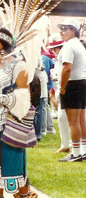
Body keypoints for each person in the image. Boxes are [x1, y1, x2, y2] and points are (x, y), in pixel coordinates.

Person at [0, 27, 36, 198]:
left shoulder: (18, 65)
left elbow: (24, 100)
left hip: (8, 125)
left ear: (2, 42)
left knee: (14, 168)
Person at [56, 18, 86, 162]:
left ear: (72, 30)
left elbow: (67, 68)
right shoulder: (79, 45)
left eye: (64, 29)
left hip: (73, 84)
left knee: (73, 122)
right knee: (81, 120)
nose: (61, 32)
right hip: (82, 83)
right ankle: (83, 150)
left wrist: (62, 87)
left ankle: (76, 153)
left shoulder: (69, 46)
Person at [48, 39, 70, 153]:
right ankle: (65, 144)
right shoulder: (59, 58)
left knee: (69, 117)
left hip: (66, 88)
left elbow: (67, 71)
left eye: (54, 49)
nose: (53, 51)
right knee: (62, 117)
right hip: (61, 87)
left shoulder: (65, 56)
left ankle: (70, 144)